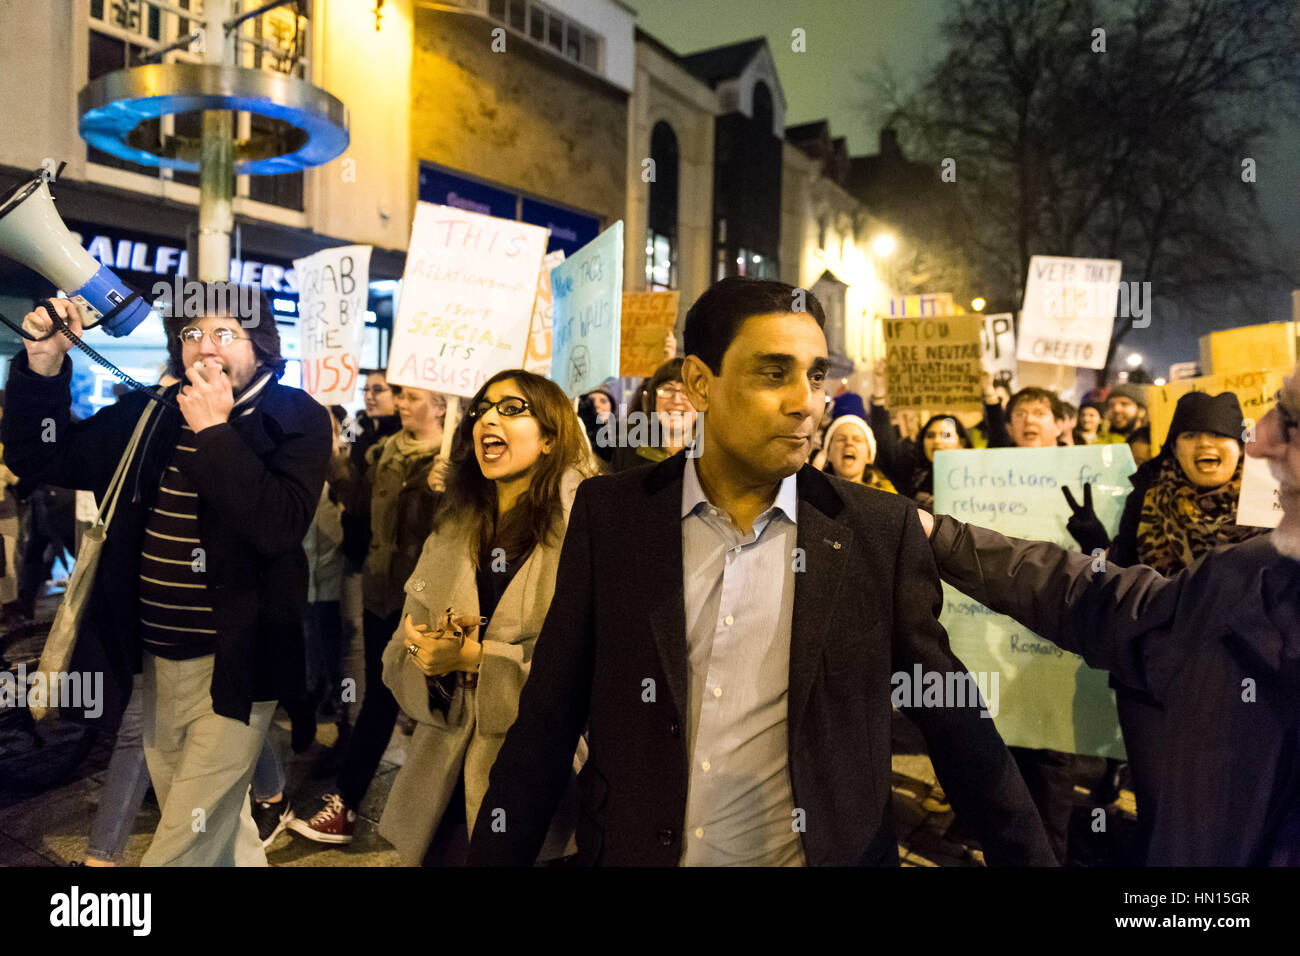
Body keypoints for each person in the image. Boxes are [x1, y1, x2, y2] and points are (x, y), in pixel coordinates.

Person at [468, 277, 1054, 866]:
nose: (806, 400)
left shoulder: (879, 530)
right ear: (700, 383)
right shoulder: (612, 516)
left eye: (816, 375)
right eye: (774, 373)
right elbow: (546, 721)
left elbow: (957, 727)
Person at [916, 364, 1300, 864]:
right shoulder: (1246, 575)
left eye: (1291, 421)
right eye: (1193, 433)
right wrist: (942, 537)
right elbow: (1104, 598)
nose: (1261, 439)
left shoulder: (1262, 546)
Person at [3, 289, 332, 866]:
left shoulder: (294, 416)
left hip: (238, 664)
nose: (204, 347)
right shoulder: (151, 413)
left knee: (183, 841)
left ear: (260, 345)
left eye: (223, 333)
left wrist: (214, 432)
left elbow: (276, 525)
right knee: (219, 827)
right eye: (191, 335)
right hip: (156, 658)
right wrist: (45, 363)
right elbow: (43, 457)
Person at [377, 370, 596, 865]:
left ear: (550, 438)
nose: (488, 419)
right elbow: (398, 651)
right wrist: (428, 656)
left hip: (537, 789)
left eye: (512, 409)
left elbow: (592, 678)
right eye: (481, 409)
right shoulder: (452, 529)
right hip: (442, 786)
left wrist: (479, 659)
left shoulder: (586, 535)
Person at [1059, 390, 1268, 860]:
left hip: (1243, 684)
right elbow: (1119, 580)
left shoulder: (1274, 506)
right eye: (1190, 434)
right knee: (1162, 805)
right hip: (1152, 681)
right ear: (1173, 444)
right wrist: (1098, 547)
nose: (1203, 444)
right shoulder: (1148, 497)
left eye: (1217, 434)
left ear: (1241, 445)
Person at [291, 386, 444, 844]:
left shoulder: (459, 461)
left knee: (434, 703)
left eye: (412, 396)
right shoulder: (384, 452)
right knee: (383, 695)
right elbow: (358, 505)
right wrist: (336, 459)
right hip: (383, 595)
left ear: (440, 406)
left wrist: (447, 488)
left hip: (429, 600)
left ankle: (437, 818)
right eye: (400, 394)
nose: (400, 402)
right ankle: (349, 804)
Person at [608, 359, 697, 472]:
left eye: (686, 391)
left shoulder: (715, 453)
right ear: (653, 399)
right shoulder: (628, 448)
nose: (676, 399)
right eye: (668, 389)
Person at [814, 414, 895, 493]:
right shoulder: (812, 493)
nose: (849, 443)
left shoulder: (889, 498)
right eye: (841, 439)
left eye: (857, 440)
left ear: (869, 456)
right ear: (828, 454)